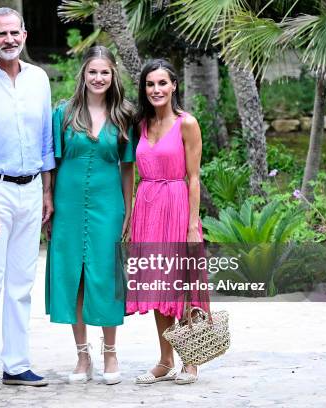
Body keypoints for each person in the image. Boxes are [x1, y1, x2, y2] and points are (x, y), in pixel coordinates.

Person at [0, 7, 54, 389]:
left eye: (14, 33)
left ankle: (17, 364)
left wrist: (48, 190)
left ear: (25, 35)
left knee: (21, 281)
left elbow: (46, 140)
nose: (9, 40)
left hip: (32, 187)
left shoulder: (39, 78)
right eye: (1, 34)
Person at [45, 46, 135, 385]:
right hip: (68, 206)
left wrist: (128, 210)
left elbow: (128, 168)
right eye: (92, 72)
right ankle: (82, 356)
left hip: (108, 205)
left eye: (105, 72)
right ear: (83, 74)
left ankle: (110, 352)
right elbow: (51, 163)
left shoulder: (124, 115)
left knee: (107, 276)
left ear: (113, 76)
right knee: (74, 275)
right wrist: (48, 198)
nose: (98, 78)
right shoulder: (63, 114)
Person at [128, 59, 208, 385]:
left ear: (174, 85)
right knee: (158, 284)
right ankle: (164, 360)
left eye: (162, 83)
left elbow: (194, 177)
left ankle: (191, 362)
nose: (156, 90)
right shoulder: (142, 124)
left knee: (181, 286)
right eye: (150, 84)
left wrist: (192, 225)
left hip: (177, 205)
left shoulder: (187, 123)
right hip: (148, 209)